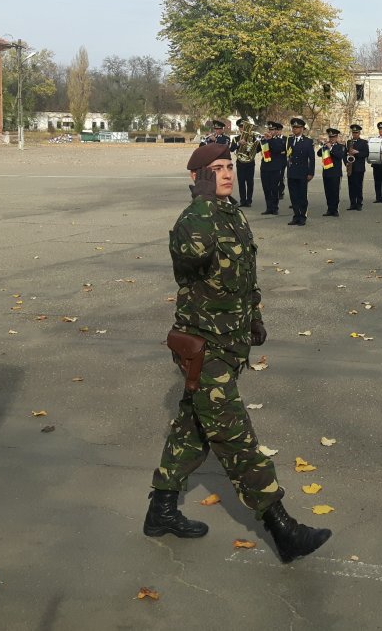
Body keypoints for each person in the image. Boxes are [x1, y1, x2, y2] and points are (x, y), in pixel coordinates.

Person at [143, 143, 331, 563]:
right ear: (197, 177)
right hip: (203, 345)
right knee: (236, 438)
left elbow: (245, 274)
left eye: (229, 167)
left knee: (192, 426)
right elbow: (187, 257)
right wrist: (203, 203)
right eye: (216, 169)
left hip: (230, 340)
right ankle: (282, 527)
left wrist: (255, 316)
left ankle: (161, 509)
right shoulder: (197, 217)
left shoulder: (234, 214)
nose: (227, 174)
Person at [285, 118, 315, 226]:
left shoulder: (308, 141)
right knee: (293, 196)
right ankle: (296, 215)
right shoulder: (289, 140)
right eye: (293, 127)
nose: (295, 129)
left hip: (302, 172)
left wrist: (311, 172)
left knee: (302, 195)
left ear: (302, 129)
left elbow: (311, 158)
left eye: (297, 127)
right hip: (292, 172)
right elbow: (288, 156)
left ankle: (303, 216)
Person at [259, 122, 287, 216]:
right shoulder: (264, 139)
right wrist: (261, 140)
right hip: (265, 167)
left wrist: (270, 140)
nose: (270, 131)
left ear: (276, 131)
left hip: (275, 167)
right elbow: (258, 149)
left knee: (274, 188)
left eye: (272, 130)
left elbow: (277, 149)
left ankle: (275, 207)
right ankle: (268, 207)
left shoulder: (280, 140)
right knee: (266, 188)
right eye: (269, 129)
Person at [230, 119, 259, 208]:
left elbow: (258, 149)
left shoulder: (253, 137)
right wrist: (239, 143)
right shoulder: (236, 139)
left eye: (244, 127)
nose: (243, 129)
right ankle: (243, 201)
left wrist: (251, 147)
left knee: (250, 182)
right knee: (241, 182)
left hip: (250, 162)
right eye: (241, 127)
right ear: (239, 128)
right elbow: (231, 149)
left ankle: (249, 200)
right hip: (240, 162)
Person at [320, 128, 346, 217]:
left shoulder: (341, 146)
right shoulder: (326, 146)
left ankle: (335, 209)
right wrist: (324, 146)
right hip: (326, 172)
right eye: (330, 137)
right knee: (328, 191)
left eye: (333, 137)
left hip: (335, 173)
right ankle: (329, 209)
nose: (332, 139)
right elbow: (319, 154)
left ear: (337, 137)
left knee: (335, 192)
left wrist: (331, 148)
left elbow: (339, 156)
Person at [345, 124, 370, 210]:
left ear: (359, 133)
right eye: (353, 132)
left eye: (356, 133)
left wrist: (357, 152)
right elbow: (345, 154)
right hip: (350, 167)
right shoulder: (348, 142)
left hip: (359, 168)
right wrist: (346, 163)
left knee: (358, 186)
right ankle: (352, 203)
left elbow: (366, 153)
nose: (355, 134)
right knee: (351, 186)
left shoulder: (363, 142)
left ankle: (359, 204)